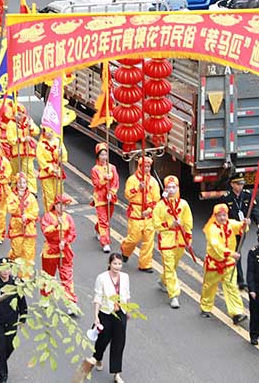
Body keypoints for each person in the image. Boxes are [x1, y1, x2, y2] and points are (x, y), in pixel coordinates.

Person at [199, 203, 248, 323]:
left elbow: (241, 227)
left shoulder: (230, 224)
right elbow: (217, 246)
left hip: (229, 264)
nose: (222, 217)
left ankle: (237, 312)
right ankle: (206, 307)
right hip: (214, 264)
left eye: (224, 215)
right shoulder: (212, 229)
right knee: (209, 287)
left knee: (232, 287)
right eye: (219, 215)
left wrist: (245, 224)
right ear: (215, 216)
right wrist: (232, 254)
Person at [152, 175, 192, 309]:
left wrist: (188, 239)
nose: (171, 189)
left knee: (173, 266)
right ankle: (174, 295)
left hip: (180, 240)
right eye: (169, 187)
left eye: (174, 187)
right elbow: (155, 223)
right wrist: (170, 224)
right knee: (169, 266)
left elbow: (188, 222)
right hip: (166, 240)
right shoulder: (160, 205)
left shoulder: (184, 204)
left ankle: (163, 280)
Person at [92, 253, 129, 382]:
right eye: (115, 264)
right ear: (109, 264)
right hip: (106, 313)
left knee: (119, 343)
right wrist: (96, 315)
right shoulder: (101, 278)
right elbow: (97, 297)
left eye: (119, 264)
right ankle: (98, 357)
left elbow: (127, 294)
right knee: (103, 339)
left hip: (120, 314)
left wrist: (127, 310)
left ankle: (116, 373)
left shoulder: (125, 277)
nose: (117, 267)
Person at [120, 156, 160, 272]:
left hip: (148, 214)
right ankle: (125, 250)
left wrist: (149, 210)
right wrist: (138, 188)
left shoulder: (153, 182)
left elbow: (156, 199)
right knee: (134, 239)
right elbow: (127, 194)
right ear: (140, 166)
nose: (147, 169)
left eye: (148, 167)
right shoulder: (132, 180)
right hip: (136, 213)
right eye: (145, 167)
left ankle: (145, 264)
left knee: (148, 241)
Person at [223, 175, 259, 289]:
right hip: (230, 230)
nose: (240, 186)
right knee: (235, 252)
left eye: (242, 184)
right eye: (238, 184)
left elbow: (253, 209)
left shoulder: (247, 195)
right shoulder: (226, 198)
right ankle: (239, 279)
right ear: (232, 184)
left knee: (236, 252)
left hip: (242, 230)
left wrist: (258, 222)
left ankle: (236, 276)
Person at [40, 194, 78, 312]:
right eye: (61, 205)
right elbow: (46, 231)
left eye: (65, 205)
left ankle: (70, 302)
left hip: (64, 250)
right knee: (48, 276)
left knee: (67, 277)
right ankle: (45, 296)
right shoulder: (48, 217)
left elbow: (72, 233)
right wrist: (56, 225)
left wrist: (65, 241)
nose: (63, 208)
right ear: (55, 205)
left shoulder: (68, 218)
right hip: (51, 250)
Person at [6, 172, 39, 265]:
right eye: (20, 183)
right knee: (17, 251)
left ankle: (24, 276)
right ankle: (11, 260)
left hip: (29, 227)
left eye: (24, 183)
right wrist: (18, 202)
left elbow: (35, 212)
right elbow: (10, 209)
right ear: (16, 184)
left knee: (28, 253)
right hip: (16, 226)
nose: (22, 185)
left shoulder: (31, 197)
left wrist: (28, 216)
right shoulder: (12, 196)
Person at [91, 143, 119, 252]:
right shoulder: (95, 170)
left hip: (110, 197)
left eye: (105, 154)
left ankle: (97, 229)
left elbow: (116, 182)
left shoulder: (112, 168)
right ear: (97, 156)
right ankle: (105, 242)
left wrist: (111, 193)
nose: (103, 157)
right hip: (100, 198)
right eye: (101, 155)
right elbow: (96, 183)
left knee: (107, 219)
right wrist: (104, 179)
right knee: (104, 221)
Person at [36, 126, 66, 211]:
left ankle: (59, 212)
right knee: (49, 195)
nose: (49, 133)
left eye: (51, 131)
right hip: (46, 173)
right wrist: (51, 169)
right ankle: (49, 214)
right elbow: (41, 160)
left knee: (59, 193)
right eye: (47, 131)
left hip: (58, 170)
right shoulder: (40, 144)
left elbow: (64, 158)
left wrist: (61, 153)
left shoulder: (59, 142)